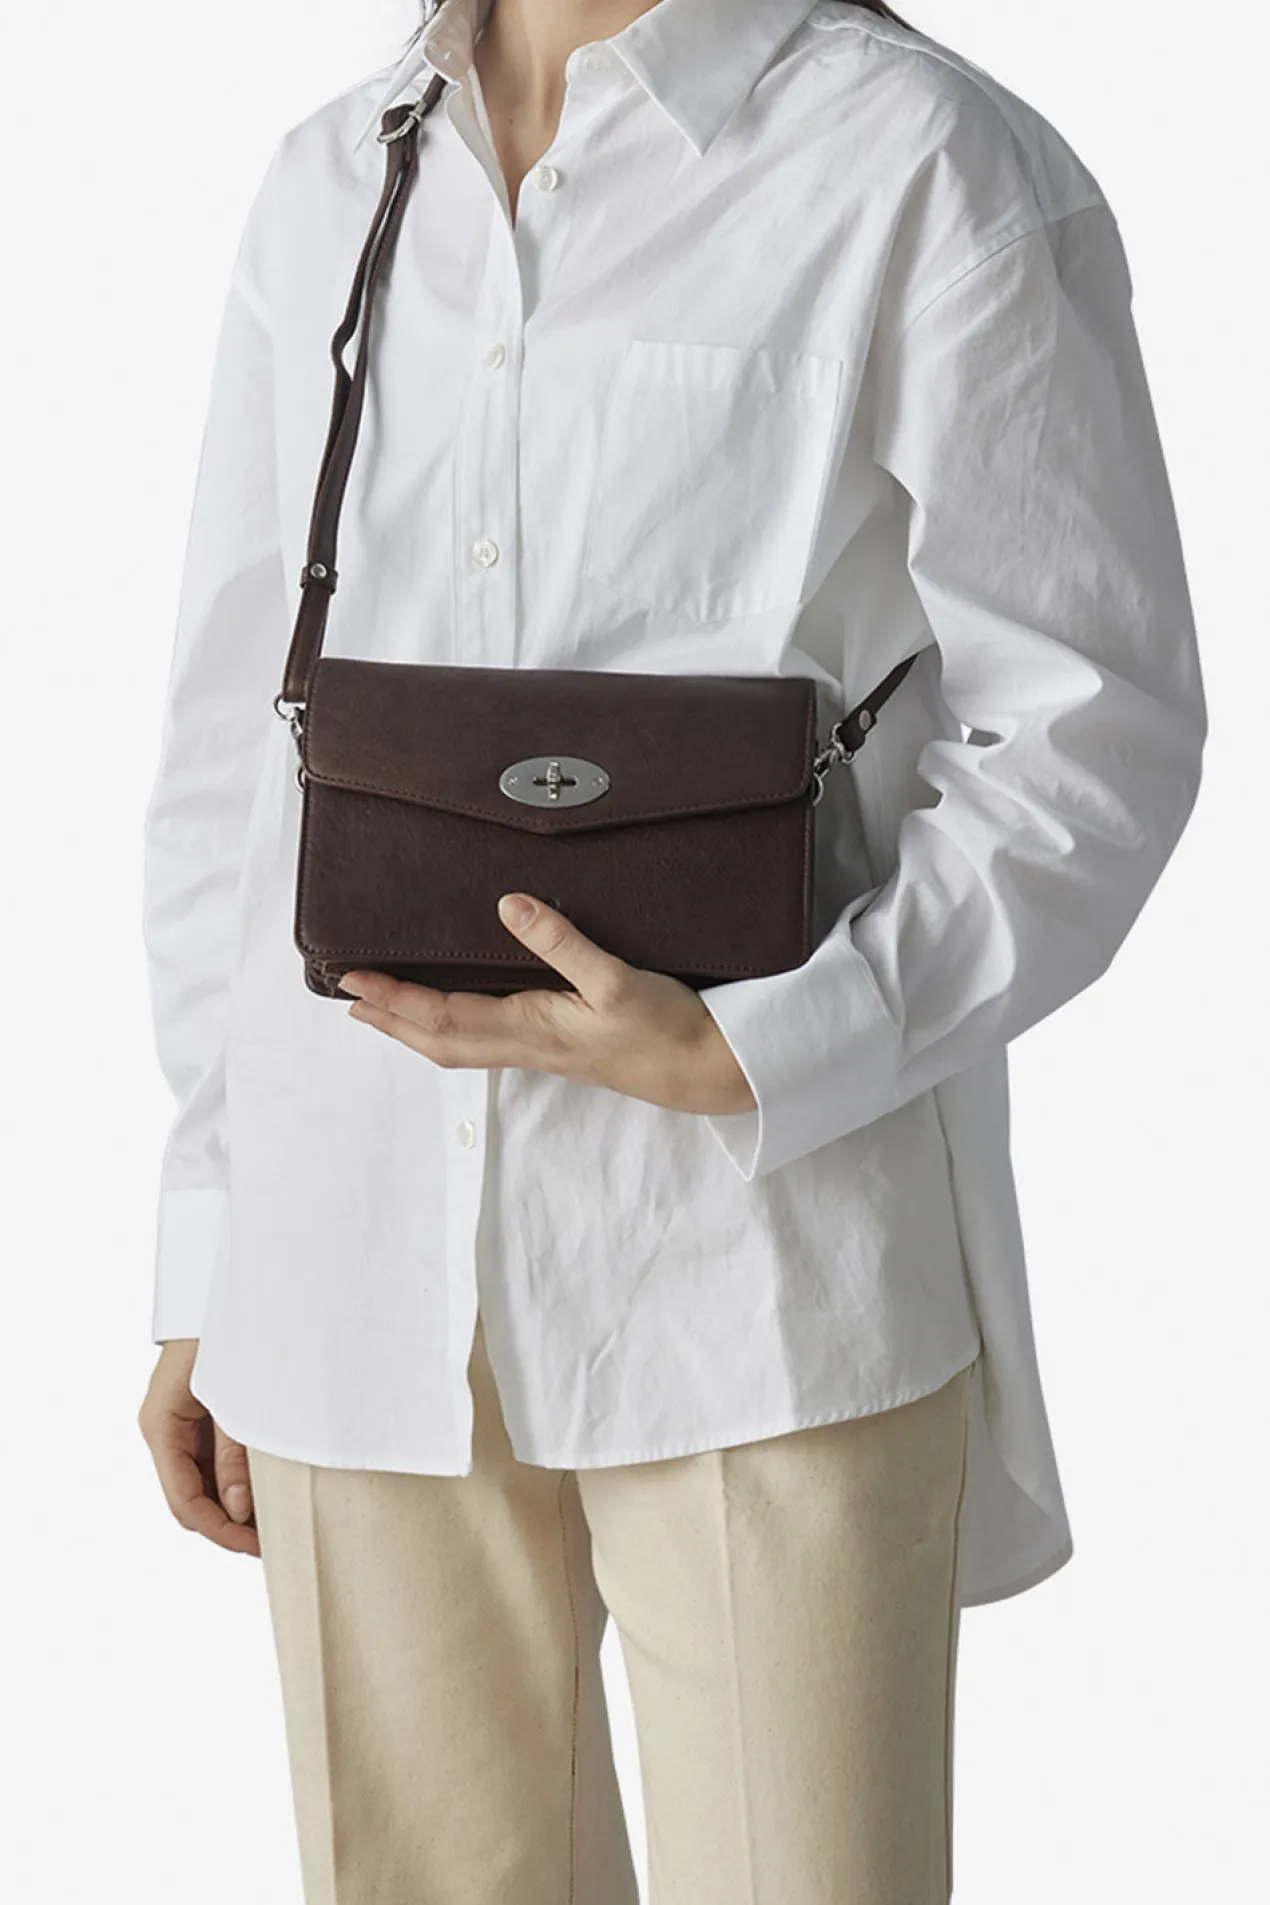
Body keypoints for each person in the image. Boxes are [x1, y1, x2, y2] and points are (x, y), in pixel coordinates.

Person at [135, 0, 1206, 1899]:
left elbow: (1090, 729)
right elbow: (240, 747)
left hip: (758, 1260)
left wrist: (771, 1046)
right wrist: (210, 1245)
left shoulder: (921, 160)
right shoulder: (331, 178)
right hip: (349, 1254)